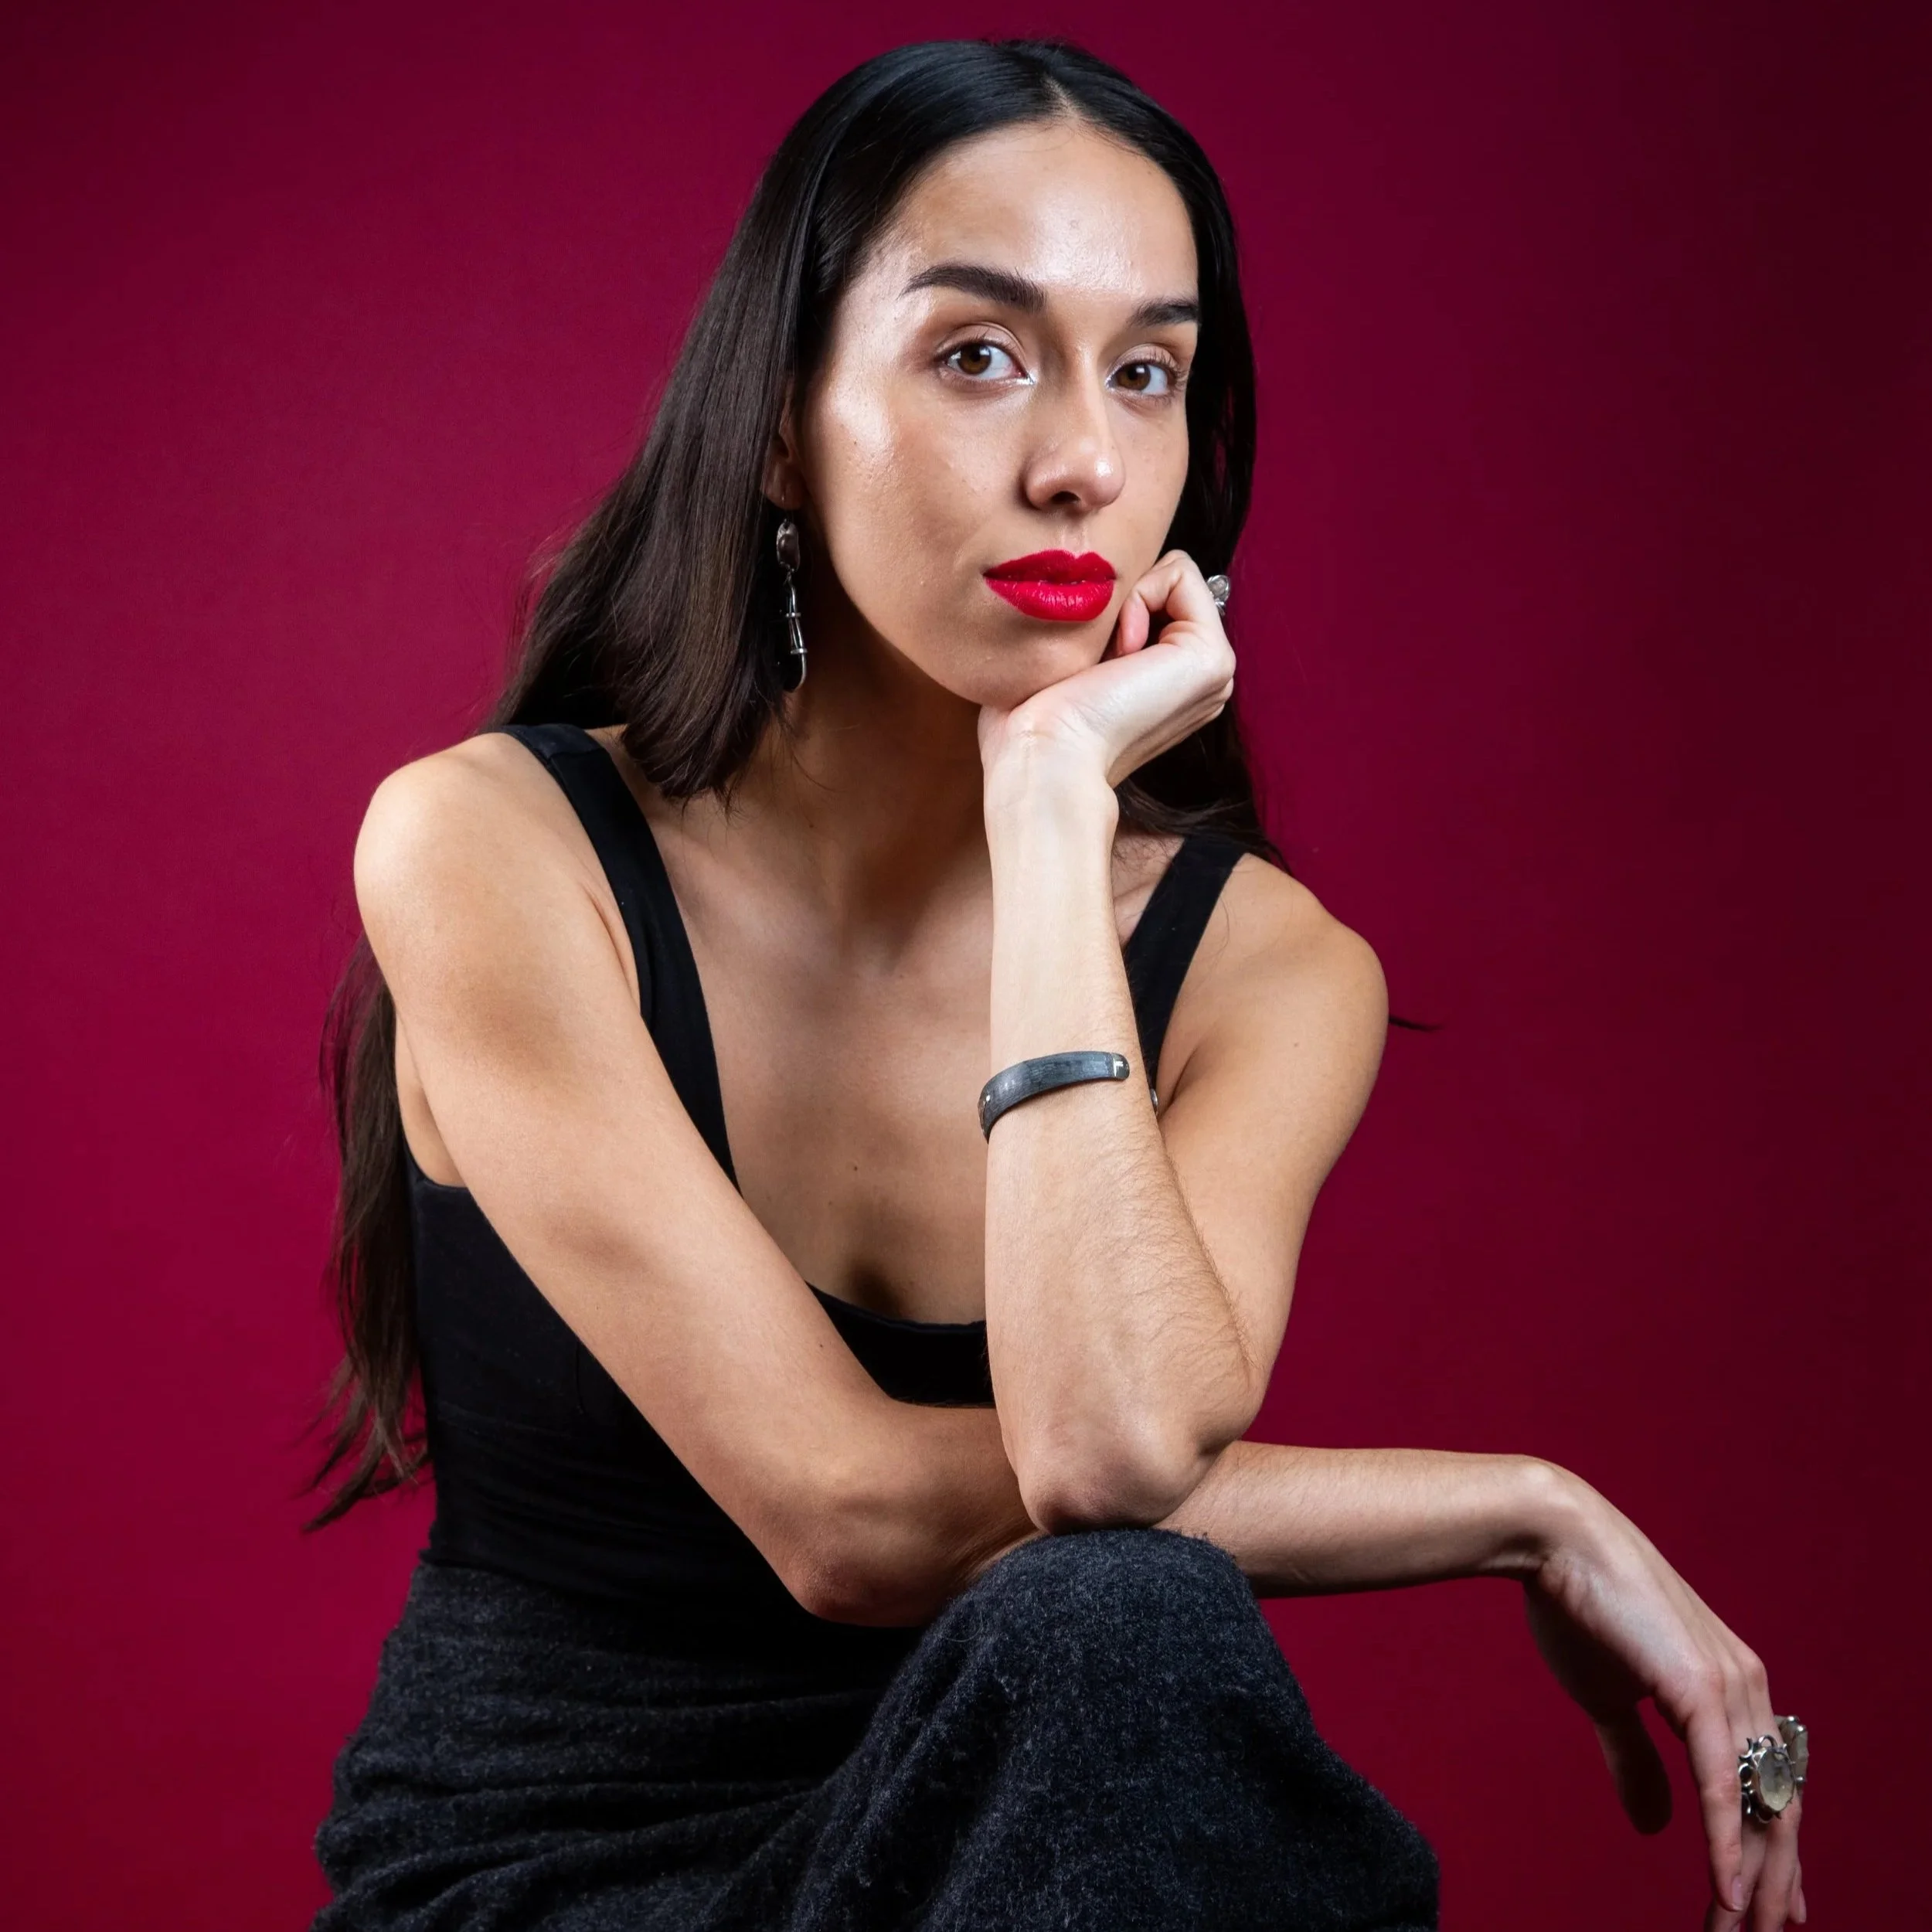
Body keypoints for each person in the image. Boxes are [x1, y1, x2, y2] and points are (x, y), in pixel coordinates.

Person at [305, 38, 1806, 1932]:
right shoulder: (491, 846)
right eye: (977, 354)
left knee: (1120, 1618)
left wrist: (1042, 814)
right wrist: (1516, 1504)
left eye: (1146, 372)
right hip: (560, 1875)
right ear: (777, 425)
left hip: (1047, 1844)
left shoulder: (1266, 971)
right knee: (1120, 1609)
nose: (1080, 462)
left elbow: (1106, 1449)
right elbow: (841, 1515)